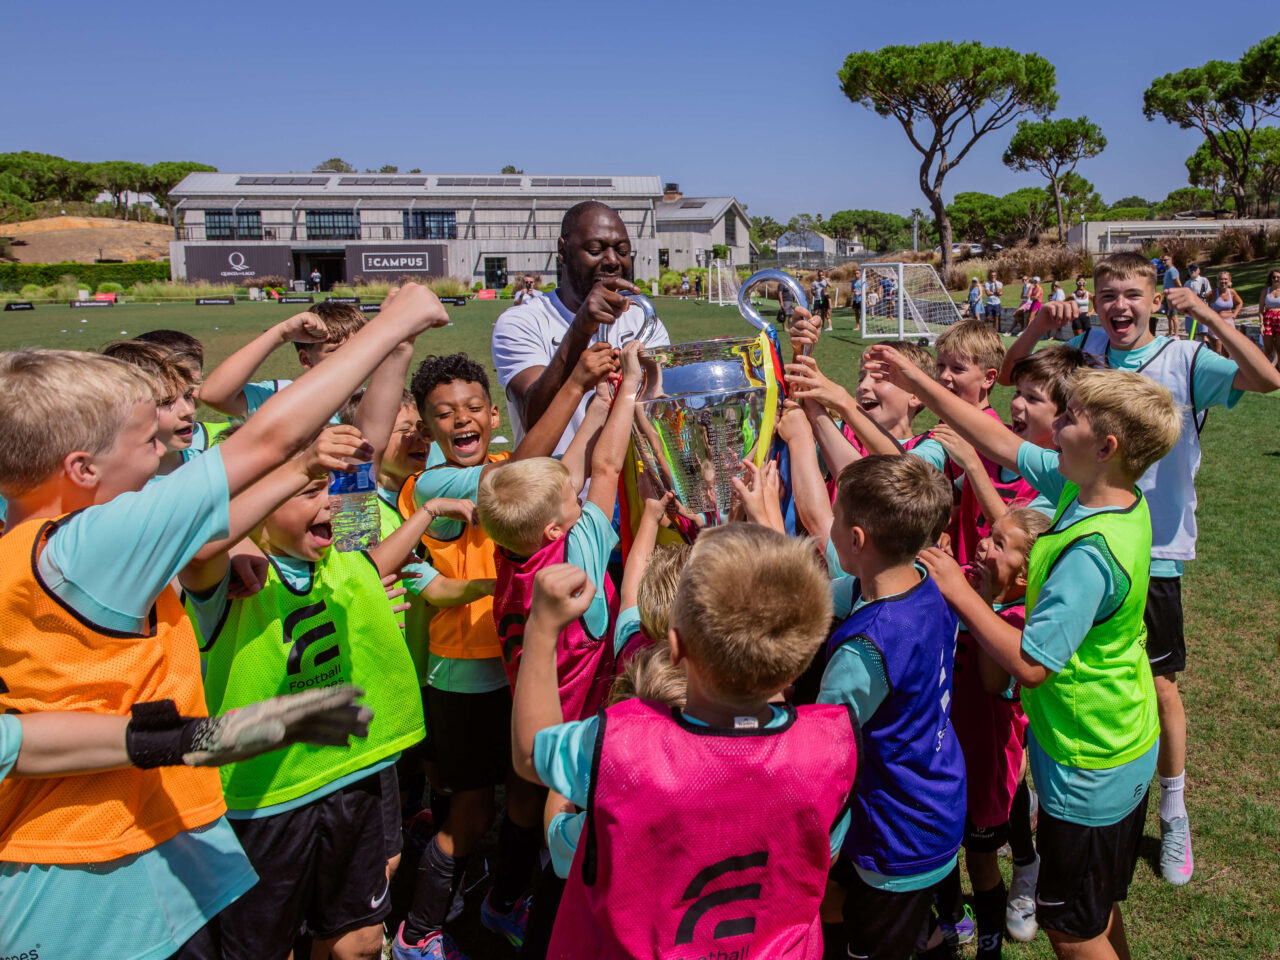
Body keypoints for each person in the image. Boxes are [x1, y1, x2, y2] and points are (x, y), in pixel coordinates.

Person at [0, 282, 448, 960]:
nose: (166, 455)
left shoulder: (29, 551)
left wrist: (203, 735)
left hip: (115, 846)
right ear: (82, 468)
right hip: (92, 868)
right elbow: (266, 441)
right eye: (146, 441)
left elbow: (20, 737)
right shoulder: (88, 546)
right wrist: (392, 326)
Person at [871, 346, 1183, 960]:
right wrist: (917, 381)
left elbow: (1033, 664)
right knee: (1095, 907)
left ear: (1106, 447)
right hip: (1123, 737)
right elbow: (996, 440)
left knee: (1071, 931)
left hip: (1088, 761)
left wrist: (962, 593)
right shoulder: (1100, 492)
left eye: (1070, 417)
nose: (1055, 423)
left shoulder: (1090, 555)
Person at [1000, 251, 1280, 888]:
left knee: (1158, 687)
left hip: (1153, 551)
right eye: (1107, 295)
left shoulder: (1184, 359)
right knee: (1059, 672)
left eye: (1132, 294)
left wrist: (1207, 312)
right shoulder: (1090, 349)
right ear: (1095, 302)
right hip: (1080, 534)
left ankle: (1174, 811)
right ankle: (1048, 805)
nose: (1118, 306)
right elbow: (1014, 376)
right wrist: (1041, 325)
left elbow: (1267, 378)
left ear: (1156, 299)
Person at [511, 526, 859, 959]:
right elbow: (823, 855)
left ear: (674, 647)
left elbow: (531, 753)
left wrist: (542, 628)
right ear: (798, 669)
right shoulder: (831, 751)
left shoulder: (624, 749)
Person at [181, 424, 439, 960]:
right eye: (308, 492)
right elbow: (198, 550)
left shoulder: (346, 550)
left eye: (331, 487)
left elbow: (363, 445)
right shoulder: (232, 580)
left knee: (360, 942)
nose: (330, 502)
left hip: (356, 771)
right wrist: (290, 471)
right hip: (266, 801)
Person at [819, 454, 964, 960]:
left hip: (894, 835)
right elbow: (837, 593)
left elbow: (822, 752)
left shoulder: (863, 651)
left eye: (835, 519)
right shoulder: (929, 582)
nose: (830, 529)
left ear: (856, 539)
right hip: (934, 797)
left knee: (880, 944)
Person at [477, 341, 643, 720]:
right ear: (553, 530)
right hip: (584, 729)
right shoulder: (576, 557)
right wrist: (630, 386)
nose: (578, 493)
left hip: (536, 724)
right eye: (573, 497)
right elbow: (606, 468)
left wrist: (601, 404)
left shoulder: (510, 549)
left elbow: (566, 478)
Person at [943, 507, 1051, 960]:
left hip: (987, 765)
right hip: (948, 751)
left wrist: (981, 602)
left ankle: (990, 943)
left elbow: (991, 682)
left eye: (999, 544)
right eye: (988, 534)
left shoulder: (1020, 622)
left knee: (980, 858)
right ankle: (951, 918)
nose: (983, 543)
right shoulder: (972, 584)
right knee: (943, 846)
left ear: (1024, 576)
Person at [491, 201, 670, 454]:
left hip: (631, 477)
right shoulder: (521, 322)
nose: (612, 261)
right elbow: (531, 417)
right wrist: (581, 329)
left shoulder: (644, 319)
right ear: (563, 251)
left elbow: (662, 411)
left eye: (622, 251)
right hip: (556, 478)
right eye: (595, 250)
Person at [201, 300, 367, 419]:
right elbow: (214, 394)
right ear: (306, 360)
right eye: (336, 351)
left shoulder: (377, 401)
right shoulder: (281, 398)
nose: (351, 360)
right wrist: (282, 334)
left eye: (358, 349)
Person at [101, 340, 200, 477]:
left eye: (188, 396)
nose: (189, 410)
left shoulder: (207, 466)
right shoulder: (112, 482)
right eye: (166, 402)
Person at [1201, 270, 1244, 355]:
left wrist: (1234, 314)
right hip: (1217, 324)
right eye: (1221, 279)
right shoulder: (1213, 293)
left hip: (1229, 324)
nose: (1223, 281)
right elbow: (1203, 303)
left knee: (1228, 351)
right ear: (1218, 281)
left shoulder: (1232, 292)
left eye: (1225, 279)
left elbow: (1240, 303)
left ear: (1229, 281)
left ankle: (1226, 364)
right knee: (1217, 350)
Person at [1258, 268, 1280, 371]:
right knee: (1268, 348)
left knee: (1279, 348)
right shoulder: (1265, 291)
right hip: (1268, 320)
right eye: (1274, 277)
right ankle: (1265, 371)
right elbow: (1260, 310)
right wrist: (1261, 324)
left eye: (1278, 277)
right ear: (1270, 279)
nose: (1276, 279)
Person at [1160, 254, 1181, 337]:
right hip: (1167, 297)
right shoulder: (1167, 271)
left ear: (1171, 260)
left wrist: (1176, 294)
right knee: (1169, 316)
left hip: (1172, 297)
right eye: (1163, 260)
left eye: (1165, 260)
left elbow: (1178, 284)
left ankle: (1176, 335)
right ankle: (1170, 334)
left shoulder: (1173, 270)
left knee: (1174, 316)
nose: (1164, 262)